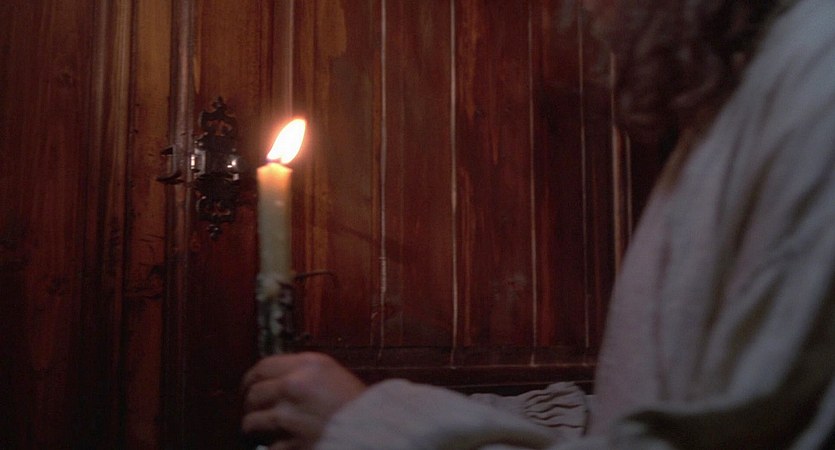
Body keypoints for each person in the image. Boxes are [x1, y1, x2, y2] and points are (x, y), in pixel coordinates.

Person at [241, 0, 835, 447]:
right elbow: (650, 402)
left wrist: (368, 426)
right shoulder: (742, 84)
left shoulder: (817, 72)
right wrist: (378, 409)